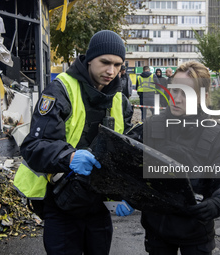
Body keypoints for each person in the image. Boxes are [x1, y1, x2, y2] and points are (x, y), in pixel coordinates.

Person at [13, 30, 134, 255]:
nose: (111, 71)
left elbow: (127, 152)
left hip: (98, 204)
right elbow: (34, 146)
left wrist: (131, 193)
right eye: (105, 62)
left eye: (118, 65)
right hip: (61, 202)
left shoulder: (120, 100)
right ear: (89, 59)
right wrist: (68, 157)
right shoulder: (61, 90)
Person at [141, 61, 220, 255]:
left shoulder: (214, 134)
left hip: (196, 234)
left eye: (185, 93)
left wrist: (217, 202)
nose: (176, 99)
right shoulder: (152, 125)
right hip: (157, 231)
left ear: (202, 97)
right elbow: (129, 163)